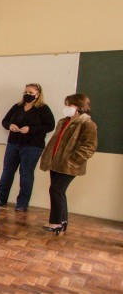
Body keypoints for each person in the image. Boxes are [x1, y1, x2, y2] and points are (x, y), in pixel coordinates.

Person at [39, 94, 97, 235]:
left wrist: (72, 160)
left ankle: (56, 222)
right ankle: (63, 221)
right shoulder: (63, 121)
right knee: (59, 191)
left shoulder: (87, 124)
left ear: (79, 107)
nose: (67, 107)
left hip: (69, 165)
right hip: (55, 163)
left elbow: (89, 147)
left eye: (70, 105)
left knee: (55, 190)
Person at [0, 83, 55, 211]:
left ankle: (22, 204)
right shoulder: (17, 106)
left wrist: (31, 129)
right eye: (26, 92)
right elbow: (5, 121)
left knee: (26, 174)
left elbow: (50, 126)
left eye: (30, 93)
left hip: (32, 146)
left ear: (38, 94)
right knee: (7, 171)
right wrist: (10, 125)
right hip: (13, 143)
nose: (27, 95)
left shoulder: (43, 108)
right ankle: (1, 198)